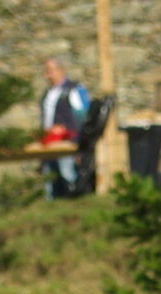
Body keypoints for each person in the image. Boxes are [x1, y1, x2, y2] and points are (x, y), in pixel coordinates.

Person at [38, 58, 90, 198]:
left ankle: (75, 201)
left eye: (49, 71)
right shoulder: (47, 93)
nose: (46, 76)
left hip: (67, 141)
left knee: (67, 173)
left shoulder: (73, 89)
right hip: (49, 143)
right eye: (45, 72)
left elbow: (82, 117)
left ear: (60, 70)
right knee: (49, 177)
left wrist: (79, 143)